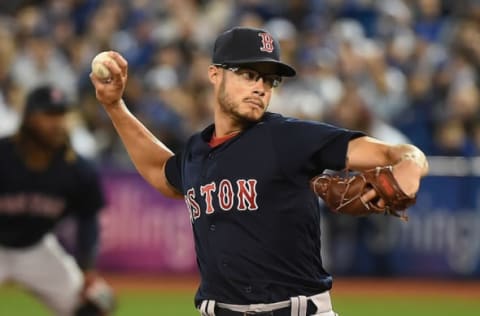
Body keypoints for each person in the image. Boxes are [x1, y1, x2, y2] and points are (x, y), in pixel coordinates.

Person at [90, 26, 429, 316]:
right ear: (214, 74)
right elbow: (160, 170)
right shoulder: (196, 151)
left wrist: (410, 166)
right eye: (248, 74)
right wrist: (114, 105)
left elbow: (394, 152)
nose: (260, 87)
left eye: (269, 80)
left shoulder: (289, 138)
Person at [0, 85, 111, 316]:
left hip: (36, 248)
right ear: (29, 118)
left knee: (95, 304)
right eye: (49, 115)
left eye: (62, 115)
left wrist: (87, 270)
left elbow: (88, 219)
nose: (58, 123)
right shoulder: (3, 155)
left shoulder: (76, 169)